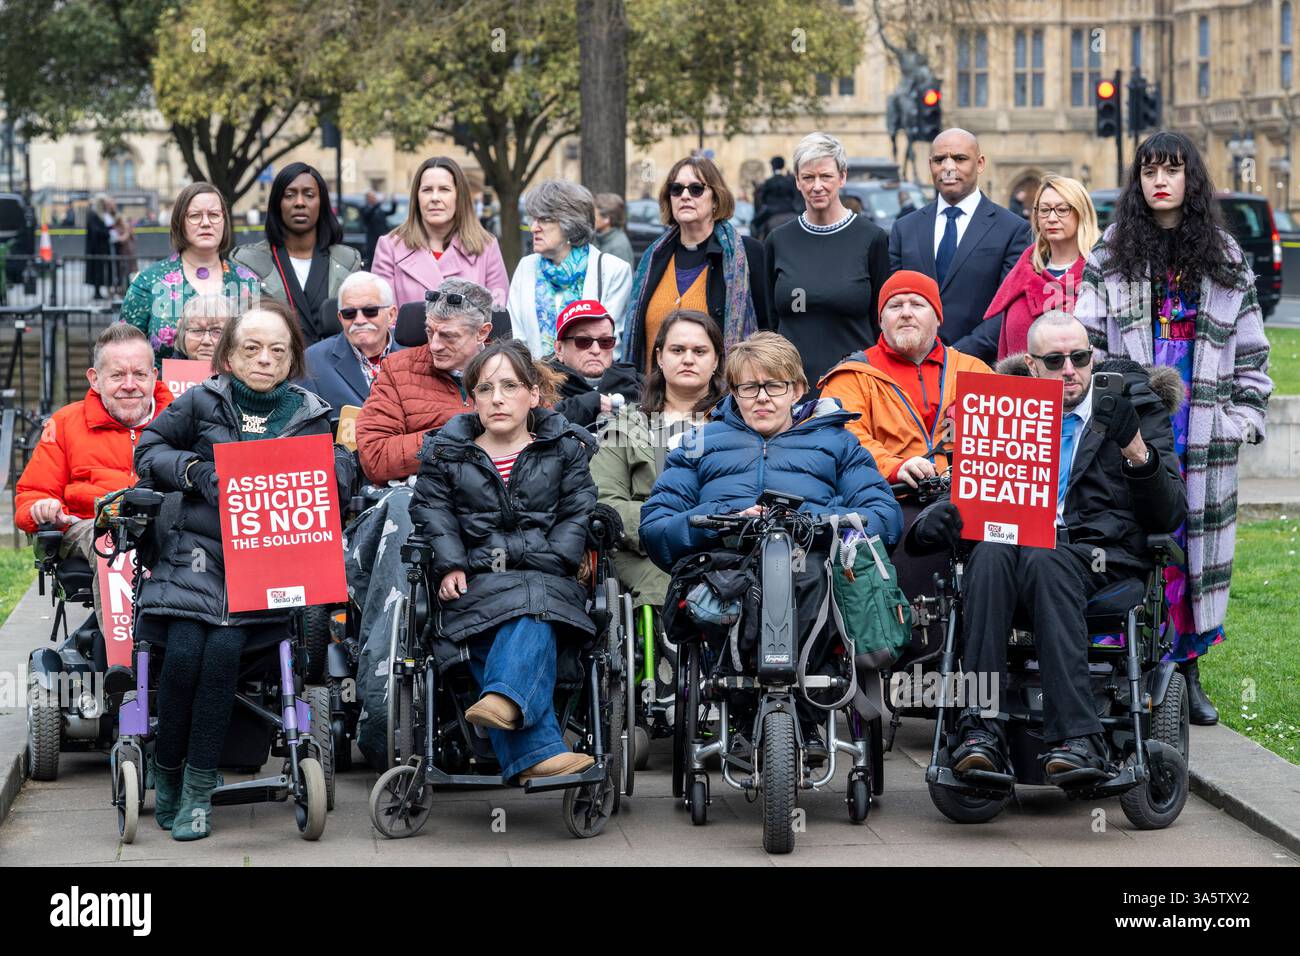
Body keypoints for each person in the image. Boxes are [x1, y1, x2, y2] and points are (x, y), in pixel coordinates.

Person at [907, 312, 1185, 784]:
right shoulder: (1002, 410)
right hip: (1011, 547)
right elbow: (974, 495)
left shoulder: (1133, 406)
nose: (1070, 369)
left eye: (1079, 357)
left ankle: (1079, 738)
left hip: (1098, 554)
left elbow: (1170, 513)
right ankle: (980, 732)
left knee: (1045, 555)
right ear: (1033, 367)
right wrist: (946, 510)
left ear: (1092, 356)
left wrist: (1134, 447)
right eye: (1054, 360)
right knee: (990, 554)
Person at [1075, 130, 1274, 725]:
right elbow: (1084, 342)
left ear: (1192, 179)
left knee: (1192, 551)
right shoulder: (1111, 252)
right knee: (1133, 540)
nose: (1159, 181)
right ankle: (1125, 667)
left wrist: (1241, 421)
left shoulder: (1224, 255)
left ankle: (1187, 673)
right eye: (1149, 171)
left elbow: (1252, 353)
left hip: (1204, 429)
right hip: (1132, 422)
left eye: (1173, 170)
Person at [133, 300, 350, 840]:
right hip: (196, 560)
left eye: (277, 350)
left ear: (293, 359)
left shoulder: (311, 414)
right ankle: (168, 771)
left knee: (224, 652)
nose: (264, 359)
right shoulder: (203, 401)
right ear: (228, 355)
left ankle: (199, 788)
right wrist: (192, 471)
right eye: (251, 348)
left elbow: (340, 482)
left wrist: (330, 473)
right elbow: (149, 448)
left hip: (267, 567)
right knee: (183, 652)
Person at [640, 331, 902, 759]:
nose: (762, 397)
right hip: (731, 559)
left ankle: (806, 712)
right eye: (748, 387)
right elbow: (656, 525)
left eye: (774, 386)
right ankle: (745, 712)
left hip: (812, 558)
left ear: (797, 389)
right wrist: (711, 523)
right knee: (730, 588)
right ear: (734, 392)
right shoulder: (699, 443)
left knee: (812, 578)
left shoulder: (837, 442)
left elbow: (883, 515)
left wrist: (823, 523)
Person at [409, 339, 598, 782]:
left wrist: (529, 556)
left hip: (549, 578)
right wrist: (451, 563)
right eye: (485, 388)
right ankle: (535, 745)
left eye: (510, 386)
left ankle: (504, 702)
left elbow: (578, 514)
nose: (497, 398)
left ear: (534, 394)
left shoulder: (566, 448)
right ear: (470, 398)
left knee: (534, 602)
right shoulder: (445, 453)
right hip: (476, 583)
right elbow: (432, 513)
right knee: (521, 608)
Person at [347, 278, 493, 765]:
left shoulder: (510, 374)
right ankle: (382, 704)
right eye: (429, 332)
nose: (434, 345)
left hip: (491, 513)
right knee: (402, 511)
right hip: (412, 509)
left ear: (484, 334)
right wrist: (446, 442)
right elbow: (374, 456)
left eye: (449, 336)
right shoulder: (397, 369)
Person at [15, 324, 172, 634]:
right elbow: (29, 498)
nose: (130, 385)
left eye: (140, 375)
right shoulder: (66, 423)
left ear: (154, 377)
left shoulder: (181, 418)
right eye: (117, 376)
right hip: (90, 526)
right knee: (113, 535)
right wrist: (41, 509)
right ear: (95, 379)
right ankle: (124, 656)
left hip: (165, 525)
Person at [591, 308, 724, 631]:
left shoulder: (737, 425)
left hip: (723, 551)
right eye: (678, 350)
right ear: (660, 358)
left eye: (699, 351)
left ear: (717, 360)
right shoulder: (624, 427)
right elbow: (605, 502)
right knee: (664, 582)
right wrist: (670, 528)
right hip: (646, 553)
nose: (688, 359)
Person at [888, 128, 1032, 362]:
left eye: (959, 158)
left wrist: (953, 356)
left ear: (980, 163)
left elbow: (1007, 310)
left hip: (978, 369)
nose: (948, 167)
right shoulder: (905, 229)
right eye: (939, 160)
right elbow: (891, 302)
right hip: (912, 365)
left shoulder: (1012, 229)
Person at [765, 132, 891, 392]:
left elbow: (882, 324)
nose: (817, 186)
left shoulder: (871, 239)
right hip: (791, 390)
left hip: (855, 388)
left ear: (842, 177)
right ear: (797, 181)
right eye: (808, 177)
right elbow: (770, 321)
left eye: (826, 176)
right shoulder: (779, 240)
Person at [622, 156, 769, 373]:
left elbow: (766, 333)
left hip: (720, 401)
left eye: (696, 189)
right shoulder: (653, 258)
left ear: (716, 199)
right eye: (676, 189)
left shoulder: (747, 254)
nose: (685, 196)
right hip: (654, 400)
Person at [120, 183, 259, 366]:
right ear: (180, 223)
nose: (206, 222)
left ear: (225, 222)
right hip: (166, 392)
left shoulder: (247, 282)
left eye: (214, 215)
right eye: (195, 216)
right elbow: (121, 352)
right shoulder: (149, 281)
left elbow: (259, 348)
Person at [230, 162, 363, 345]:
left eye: (309, 195)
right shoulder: (250, 263)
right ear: (277, 204)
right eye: (290, 195)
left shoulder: (347, 262)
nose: (299, 203)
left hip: (333, 367)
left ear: (321, 203)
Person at [507, 180, 633, 357]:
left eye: (544, 219)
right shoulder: (526, 267)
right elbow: (516, 338)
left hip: (591, 383)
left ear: (571, 224)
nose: (534, 228)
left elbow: (609, 346)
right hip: (534, 381)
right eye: (533, 219)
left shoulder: (613, 270)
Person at [982, 174, 1100, 361]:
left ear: (1081, 213)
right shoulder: (1022, 274)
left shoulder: (1102, 273)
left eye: (1062, 209)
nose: (1051, 218)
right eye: (1044, 210)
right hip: (1025, 387)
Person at [371, 156, 508, 309]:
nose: (435, 198)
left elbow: (497, 317)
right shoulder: (390, 247)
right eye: (427, 190)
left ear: (459, 197)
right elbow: (383, 318)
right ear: (417, 197)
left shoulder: (486, 248)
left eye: (444, 189)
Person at [298, 270, 402, 420]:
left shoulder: (417, 356)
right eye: (349, 313)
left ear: (391, 315)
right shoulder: (312, 361)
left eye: (370, 311)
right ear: (340, 318)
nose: (359, 320)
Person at [547, 299, 643, 431]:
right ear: (559, 349)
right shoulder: (539, 387)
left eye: (605, 341)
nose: (596, 350)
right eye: (583, 341)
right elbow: (533, 424)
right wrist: (588, 403)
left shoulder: (637, 383)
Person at [751, 156, 804, 240]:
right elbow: (795, 195)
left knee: (754, 223)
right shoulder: (789, 180)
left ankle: (755, 242)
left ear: (772, 166)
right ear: (783, 165)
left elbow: (763, 198)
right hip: (789, 209)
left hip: (771, 211)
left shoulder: (769, 181)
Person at [174, 295, 234, 364]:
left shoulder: (244, 373)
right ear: (183, 335)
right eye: (197, 330)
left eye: (217, 332)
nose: (206, 341)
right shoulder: (167, 373)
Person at [85, 194, 114, 300]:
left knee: (100, 270)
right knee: (96, 270)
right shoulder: (93, 214)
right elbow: (97, 231)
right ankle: (97, 292)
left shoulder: (99, 214)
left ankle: (99, 291)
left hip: (101, 248)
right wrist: (107, 232)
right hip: (96, 248)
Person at [593, 193, 635, 266]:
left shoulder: (619, 247)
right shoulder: (600, 238)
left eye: (594, 215)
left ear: (606, 219)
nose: (592, 218)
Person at [360, 189, 396, 267]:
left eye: (375, 197)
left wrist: (393, 202)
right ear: (368, 199)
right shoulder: (364, 209)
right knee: (372, 259)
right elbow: (369, 214)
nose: (375, 199)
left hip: (381, 237)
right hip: (372, 239)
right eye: (372, 197)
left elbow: (391, 212)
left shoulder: (379, 210)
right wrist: (381, 202)